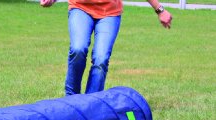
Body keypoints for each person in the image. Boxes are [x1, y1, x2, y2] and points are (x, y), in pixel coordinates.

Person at [40, 0, 173, 95]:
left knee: (101, 58)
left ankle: (91, 104)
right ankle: (71, 100)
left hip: (110, 13)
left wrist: (159, 9)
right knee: (78, 49)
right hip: (80, 7)